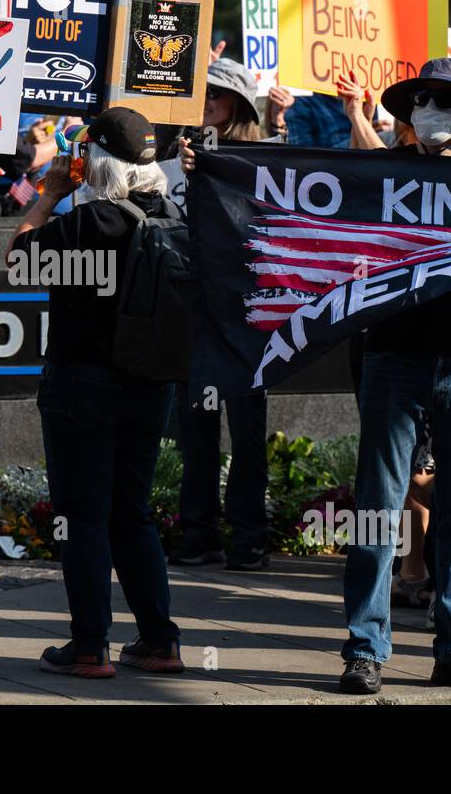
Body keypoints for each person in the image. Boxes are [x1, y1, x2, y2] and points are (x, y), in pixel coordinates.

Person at [334, 58, 451, 695]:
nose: (433, 107)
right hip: (395, 354)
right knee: (381, 510)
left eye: (447, 98)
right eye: (424, 98)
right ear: (408, 113)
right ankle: (365, 649)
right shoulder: (385, 174)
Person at [9, 106, 184, 678]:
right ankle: (159, 641)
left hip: (82, 385)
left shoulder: (90, 223)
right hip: (149, 385)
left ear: (97, 161)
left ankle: (89, 647)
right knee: (132, 515)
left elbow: (18, 262)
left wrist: (47, 193)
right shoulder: (171, 217)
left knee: (84, 517)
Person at [172, 58, 269, 571]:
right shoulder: (176, 154)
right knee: (196, 428)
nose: (207, 99)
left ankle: (250, 535)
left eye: (218, 92)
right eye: (202, 89)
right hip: (193, 310)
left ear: (239, 104)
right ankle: (199, 531)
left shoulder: (262, 159)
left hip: (249, 316)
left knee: (248, 430)